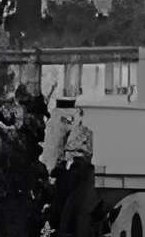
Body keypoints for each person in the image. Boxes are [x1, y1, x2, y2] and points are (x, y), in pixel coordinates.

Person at [47, 97, 96, 237]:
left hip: (76, 174)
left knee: (68, 214)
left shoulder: (82, 131)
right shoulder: (62, 125)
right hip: (68, 173)